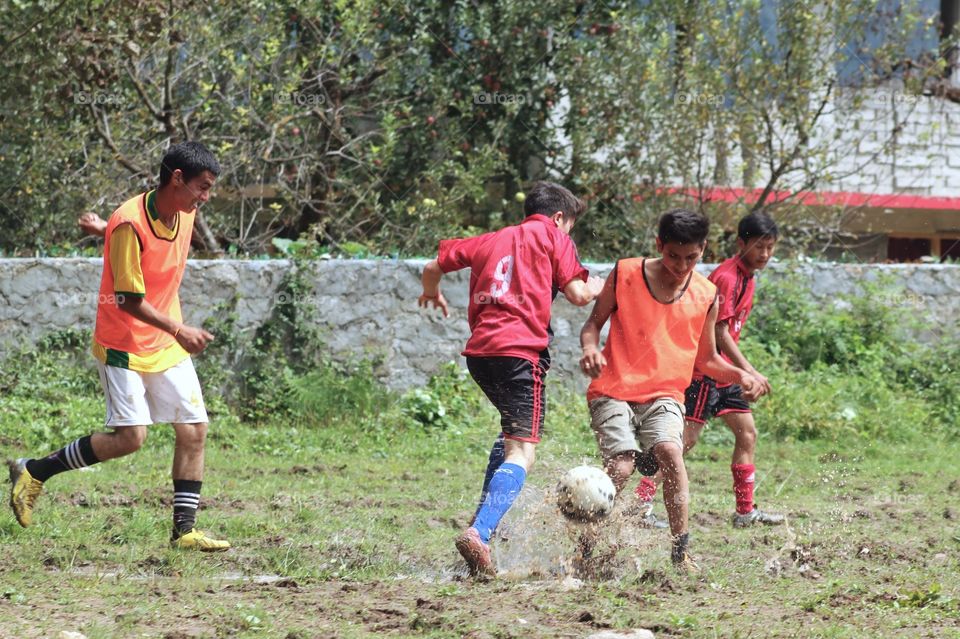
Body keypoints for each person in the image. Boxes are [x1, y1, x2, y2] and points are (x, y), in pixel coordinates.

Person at [8, 141, 230, 551]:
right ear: (177, 178)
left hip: (164, 342)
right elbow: (127, 299)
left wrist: (103, 230)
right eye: (202, 187)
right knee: (130, 438)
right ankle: (34, 470)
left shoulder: (182, 214)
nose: (205, 197)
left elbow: (150, 247)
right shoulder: (129, 222)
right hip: (124, 342)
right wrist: (180, 329)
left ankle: (184, 532)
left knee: (194, 428)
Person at [419, 181, 604, 577]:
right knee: (523, 452)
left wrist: (432, 292)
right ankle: (481, 532)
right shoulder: (554, 236)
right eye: (570, 225)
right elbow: (576, 293)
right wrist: (601, 286)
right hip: (520, 354)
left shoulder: (490, 239)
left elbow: (433, 267)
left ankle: (485, 522)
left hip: (480, 355)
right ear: (559, 217)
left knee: (509, 437)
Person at [579, 209, 762, 572]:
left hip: (665, 395)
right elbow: (592, 325)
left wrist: (740, 375)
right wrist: (589, 349)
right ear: (659, 245)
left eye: (691, 257)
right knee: (622, 466)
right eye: (673, 256)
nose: (681, 266)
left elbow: (707, 359)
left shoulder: (707, 294)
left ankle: (680, 553)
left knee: (670, 453)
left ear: (703, 249)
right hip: (612, 390)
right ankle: (586, 546)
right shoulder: (626, 272)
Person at [634, 212, 784, 528]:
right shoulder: (727, 277)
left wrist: (741, 372)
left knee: (747, 433)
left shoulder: (748, 277)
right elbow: (719, 331)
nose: (765, 254)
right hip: (704, 373)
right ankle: (640, 505)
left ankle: (745, 512)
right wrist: (750, 371)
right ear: (741, 244)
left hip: (725, 374)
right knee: (684, 442)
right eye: (759, 246)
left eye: (770, 247)